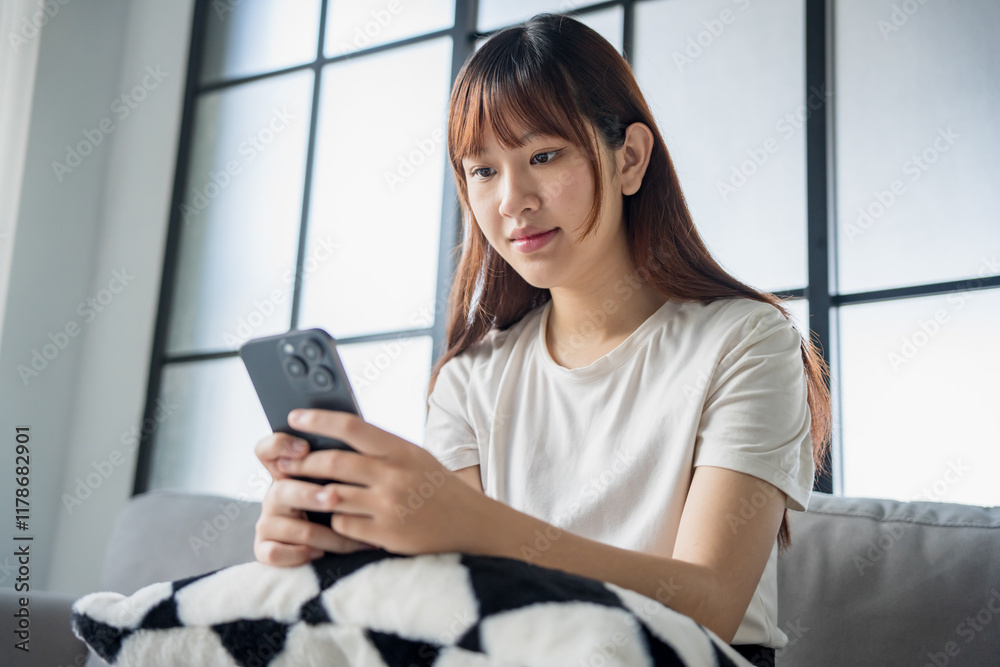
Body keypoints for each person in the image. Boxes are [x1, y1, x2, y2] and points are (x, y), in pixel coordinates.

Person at [252, 13, 832, 667]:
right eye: (482, 171)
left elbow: (711, 603)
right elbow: (455, 599)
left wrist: (466, 522)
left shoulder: (746, 342)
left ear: (629, 158)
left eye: (544, 156)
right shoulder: (468, 379)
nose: (513, 199)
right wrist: (341, 536)